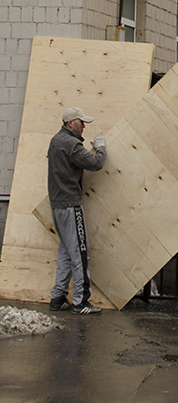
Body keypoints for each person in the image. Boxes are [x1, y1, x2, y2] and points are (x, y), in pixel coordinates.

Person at [47, 106, 106, 315]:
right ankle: (80, 302)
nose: (84, 128)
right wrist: (100, 148)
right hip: (70, 205)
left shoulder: (55, 141)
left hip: (56, 205)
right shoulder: (72, 145)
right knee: (81, 253)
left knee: (65, 251)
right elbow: (96, 163)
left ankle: (58, 297)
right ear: (71, 123)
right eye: (82, 123)